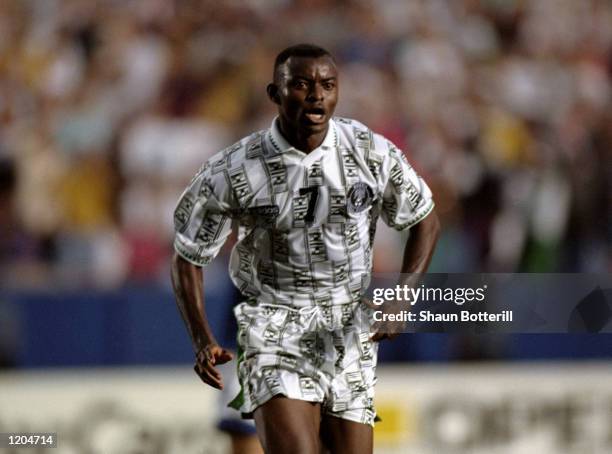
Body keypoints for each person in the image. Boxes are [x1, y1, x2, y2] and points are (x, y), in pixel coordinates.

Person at [171, 43, 439, 454]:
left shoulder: (369, 151)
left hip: (347, 327)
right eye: (300, 84)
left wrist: (402, 298)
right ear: (274, 94)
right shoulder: (232, 169)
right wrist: (202, 337)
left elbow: (425, 218)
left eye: (327, 85)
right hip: (273, 324)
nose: (316, 95)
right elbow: (187, 255)